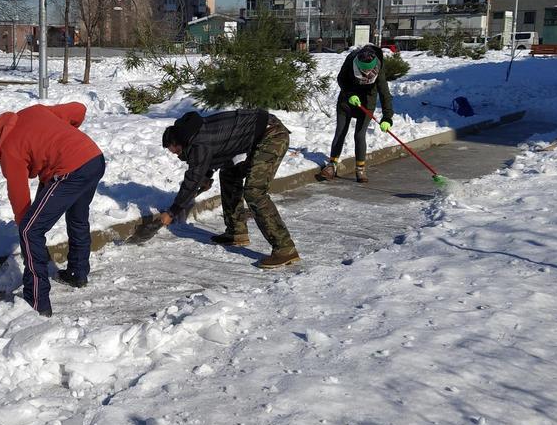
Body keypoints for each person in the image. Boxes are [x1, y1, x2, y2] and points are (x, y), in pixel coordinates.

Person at [0, 104, 106, 316]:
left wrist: (25, 224)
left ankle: (36, 299)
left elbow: (18, 193)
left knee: (30, 230)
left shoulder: (8, 148)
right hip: (93, 159)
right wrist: (63, 139)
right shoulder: (32, 112)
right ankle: (78, 273)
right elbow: (79, 110)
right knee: (77, 218)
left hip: (70, 170)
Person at [159, 109, 299, 269]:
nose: (177, 155)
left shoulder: (198, 142)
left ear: (178, 142)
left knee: (254, 191)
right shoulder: (194, 134)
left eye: (176, 151)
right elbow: (219, 149)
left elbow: (192, 179)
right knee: (229, 174)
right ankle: (236, 231)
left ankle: (285, 249)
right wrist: (206, 175)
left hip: (272, 135)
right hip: (259, 135)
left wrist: (172, 212)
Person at [318, 44, 395, 183]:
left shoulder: (379, 66)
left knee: (359, 135)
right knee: (340, 132)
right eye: (362, 70)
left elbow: (384, 93)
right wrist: (350, 94)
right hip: (347, 100)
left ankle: (360, 169)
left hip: (366, 103)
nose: (365, 73)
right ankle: (332, 165)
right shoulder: (351, 58)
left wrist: (387, 117)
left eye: (368, 70)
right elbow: (341, 78)